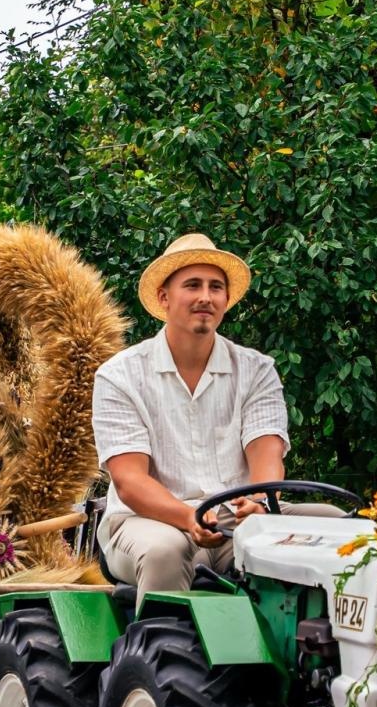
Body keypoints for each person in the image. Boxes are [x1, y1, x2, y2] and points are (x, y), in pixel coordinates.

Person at [92, 233, 318, 601]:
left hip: (236, 518)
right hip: (146, 522)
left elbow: (266, 453)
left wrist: (259, 500)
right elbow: (130, 481)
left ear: (226, 300)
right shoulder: (120, 375)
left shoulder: (256, 369)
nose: (205, 297)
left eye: (216, 287)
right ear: (164, 298)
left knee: (343, 527)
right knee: (165, 550)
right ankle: (160, 651)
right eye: (192, 285)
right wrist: (188, 518)